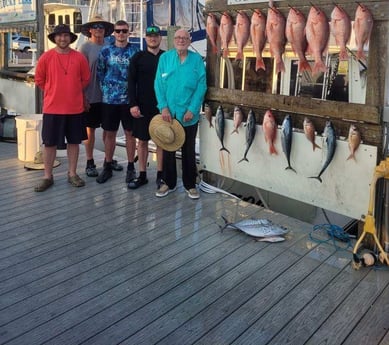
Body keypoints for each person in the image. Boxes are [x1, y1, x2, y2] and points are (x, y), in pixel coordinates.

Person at [34, 24, 91, 192]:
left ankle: (72, 173)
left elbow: (85, 78)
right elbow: (39, 80)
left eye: (66, 35)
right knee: (49, 143)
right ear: (54, 38)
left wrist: (72, 89)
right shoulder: (46, 57)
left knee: (74, 142)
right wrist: (54, 90)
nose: (63, 38)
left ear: (70, 38)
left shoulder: (79, 57)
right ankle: (47, 176)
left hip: (75, 108)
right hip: (52, 108)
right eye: (59, 36)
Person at [154, 28, 206, 199]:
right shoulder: (165, 58)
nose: (181, 40)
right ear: (173, 40)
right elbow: (158, 85)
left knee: (188, 150)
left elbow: (201, 86)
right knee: (168, 148)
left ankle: (190, 185)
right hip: (169, 114)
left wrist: (192, 109)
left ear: (190, 41)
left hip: (188, 115)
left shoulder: (197, 60)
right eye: (178, 37)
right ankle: (169, 183)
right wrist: (163, 107)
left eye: (184, 38)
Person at [79, 15, 123, 177]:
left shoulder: (111, 45)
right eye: (95, 26)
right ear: (90, 30)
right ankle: (90, 162)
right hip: (91, 95)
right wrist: (83, 97)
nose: (98, 29)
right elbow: (80, 75)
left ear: (105, 31)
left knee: (109, 130)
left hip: (109, 97)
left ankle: (108, 160)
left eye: (101, 27)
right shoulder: (85, 48)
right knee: (90, 130)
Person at [96, 20, 139, 184]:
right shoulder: (105, 51)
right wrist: (107, 89)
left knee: (130, 134)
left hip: (129, 101)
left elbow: (138, 76)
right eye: (118, 31)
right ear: (113, 32)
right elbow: (100, 72)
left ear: (129, 32)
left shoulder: (135, 51)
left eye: (124, 31)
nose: (121, 34)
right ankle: (107, 166)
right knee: (110, 134)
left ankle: (130, 167)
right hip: (109, 100)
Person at [128, 25, 164, 189]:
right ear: (146, 39)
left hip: (161, 107)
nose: (153, 38)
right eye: (150, 36)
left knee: (161, 142)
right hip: (142, 107)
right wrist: (133, 104)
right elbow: (130, 82)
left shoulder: (167, 57)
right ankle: (142, 174)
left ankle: (160, 175)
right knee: (142, 142)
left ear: (160, 38)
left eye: (156, 36)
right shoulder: (138, 57)